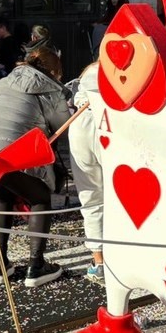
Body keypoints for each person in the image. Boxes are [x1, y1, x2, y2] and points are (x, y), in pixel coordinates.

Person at [0, 45, 70, 287]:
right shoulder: (51, 90)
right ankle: (36, 266)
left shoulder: (1, 84)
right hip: (14, 155)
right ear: (54, 71)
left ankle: (0, 264)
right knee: (40, 198)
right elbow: (63, 124)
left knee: (2, 199)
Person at [67, 62, 104, 282]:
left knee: (90, 197)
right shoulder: (131, 64)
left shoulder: (90, 69)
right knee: (120, 193)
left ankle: (98, 260)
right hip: (109, 124)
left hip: (80, 123)